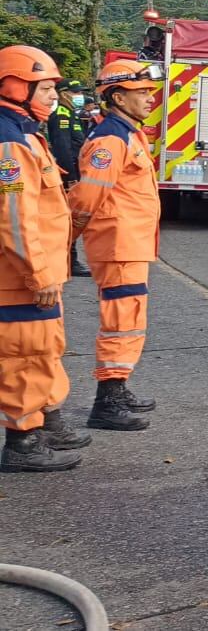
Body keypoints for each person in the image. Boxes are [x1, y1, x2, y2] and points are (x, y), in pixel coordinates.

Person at [0, 46, 90, 472]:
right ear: (16, 87)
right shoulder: (10, 141)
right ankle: (22, 443)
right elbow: (14, 219)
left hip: (34, 272)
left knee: (44, 351)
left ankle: (43, 423)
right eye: (46, 87)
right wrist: (38, 274)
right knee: (24, 358)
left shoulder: (23, 132)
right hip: (21, 276)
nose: (55, 94)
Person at [68, 59, 165, 432]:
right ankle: (107, 400)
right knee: (120, 322)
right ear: (119, 97)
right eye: (142, 93)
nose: (150, 99)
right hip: (117, 244)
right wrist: (66, 240)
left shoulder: (127, 133)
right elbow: (86, 198)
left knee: (129, 319)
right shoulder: (111, 139)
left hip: (128, 243)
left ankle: (117, 386)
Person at [45, 78, 90, 278]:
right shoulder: (61, 115)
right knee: (68, 218)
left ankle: (68, 260)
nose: (79, 96)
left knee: (70, 217)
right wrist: (70, 177)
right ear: (63, 94)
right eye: (75, 92)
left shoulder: (71, 114)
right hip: (67, 175)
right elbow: (63, 149)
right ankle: (69, 261)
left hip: (75, 171)